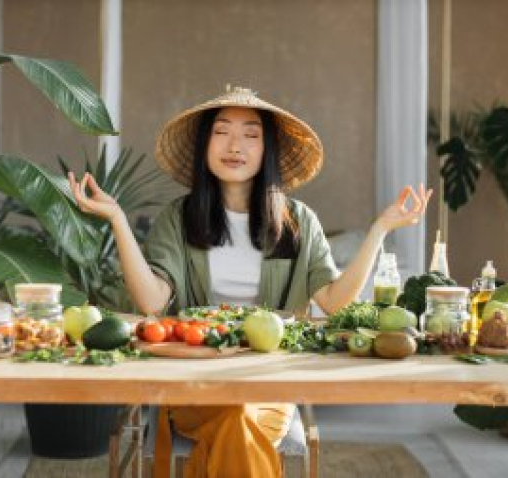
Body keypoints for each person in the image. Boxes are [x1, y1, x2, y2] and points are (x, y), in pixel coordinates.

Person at [69, 85, 431, 478]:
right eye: (222, 131)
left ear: (267, 151)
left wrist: (379, 230)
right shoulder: (178, 218)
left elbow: (335, 304)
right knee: (236, 424)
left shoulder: (299, 221)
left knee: (240, 418)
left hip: (268, 383)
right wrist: (119, 221)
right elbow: (152, 303)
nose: (235, 145)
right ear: (206, 145)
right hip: (194, 383)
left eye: (251, 134)